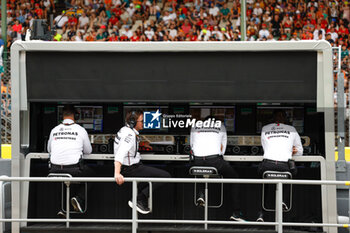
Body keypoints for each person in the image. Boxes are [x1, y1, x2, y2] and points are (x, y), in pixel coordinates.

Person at [114, 110, 171, 215]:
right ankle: (138, 199)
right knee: (165, 176)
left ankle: (138, 199)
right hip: (130, 168)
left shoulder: (125, 130)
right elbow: (120, 154)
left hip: (133, 167)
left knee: (148, 177)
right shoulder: (130, 135)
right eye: (142, 121)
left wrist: (141, 144)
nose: (144, 123)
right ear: (133, 122)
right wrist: (117, 173)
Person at [190, 116, 245, 222]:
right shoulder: (221, 126)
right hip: (214, 161)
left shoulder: (195, 126)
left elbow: (192, 146)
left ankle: (201, 193)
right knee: (234, 178)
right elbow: (222, 150)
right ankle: (236, 212)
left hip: (197, 162)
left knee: (202, 170)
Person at [257, 109, 303, 222]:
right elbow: (300, 152)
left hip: (267, 165)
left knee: (264, 182)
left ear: (273, 118)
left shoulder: (265, 128)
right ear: (285, 119)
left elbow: (265, 148)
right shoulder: (292, 129)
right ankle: (284, 201)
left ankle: (261, 213)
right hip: (284, 166)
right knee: (292, 174)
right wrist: (290, 150)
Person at [47, 104, 94, 216]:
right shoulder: (81, 130)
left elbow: (49, 149)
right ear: (75, 115)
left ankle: (63, 210)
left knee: (65, 181)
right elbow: (88, 151)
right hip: (74, 170)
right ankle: (79, 198)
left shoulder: (54, 130)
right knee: (92, 176)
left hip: (54, 169)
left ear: (62, 115)